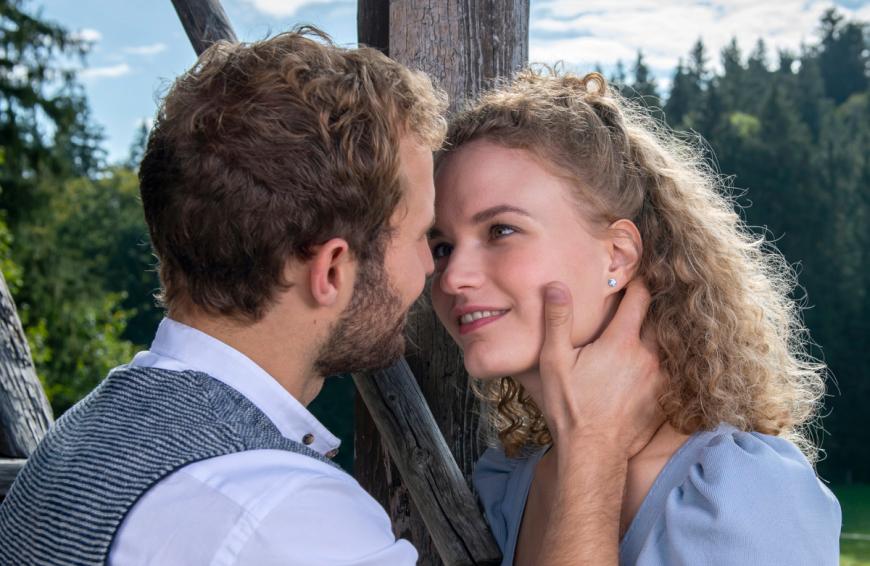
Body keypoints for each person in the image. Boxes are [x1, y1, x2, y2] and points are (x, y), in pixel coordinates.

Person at [0, 31, 662, 565]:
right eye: (425, 239)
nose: (438, 275)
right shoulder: (282, 518)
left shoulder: (74, 444)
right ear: (333, 270)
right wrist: (594, 451)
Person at [428, 69, 842, 565]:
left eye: (501, 230)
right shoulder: (507, 484)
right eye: (442, 246)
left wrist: (593, 448)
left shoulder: (746, 494)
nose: (452, 278)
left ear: (617, 257)